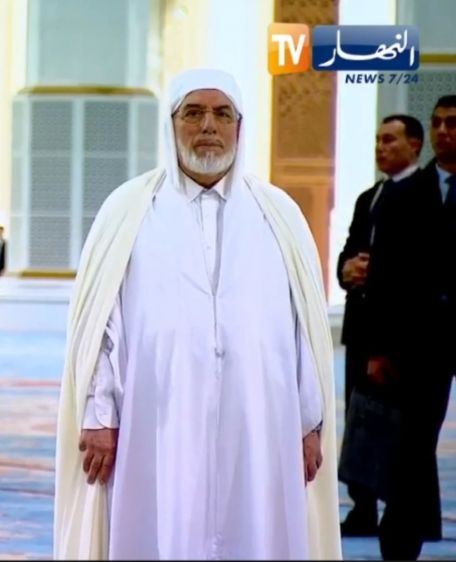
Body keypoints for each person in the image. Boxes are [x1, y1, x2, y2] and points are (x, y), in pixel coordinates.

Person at [52, 68, 341, 560]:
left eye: (222, 114)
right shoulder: (128, 210)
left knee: (258, 530)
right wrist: (100, 416)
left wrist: (309, 425)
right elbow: (104, 327)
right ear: (171, 124)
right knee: (160, 528)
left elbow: (303, 333)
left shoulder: (279, 214)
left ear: (239, 128)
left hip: (261, 423)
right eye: (194, 113)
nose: (208, 126)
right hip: (156, 421)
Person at [365, 94, 456, 560]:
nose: (443, 131)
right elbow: (383, 276)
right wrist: (378, 348)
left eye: (452, 123)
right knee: (413, 443)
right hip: (418, 344)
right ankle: (400, 542)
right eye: (437, 123)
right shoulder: (406, 194)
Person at [336, 114, 423, 537]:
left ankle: (399, 510)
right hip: (361, 329)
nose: (380, 148)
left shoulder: (423, 195)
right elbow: (350, 251)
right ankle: (363, 506)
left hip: (398, 336)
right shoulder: (369, 197)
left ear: (414, 145)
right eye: (377, 140)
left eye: (390, 140)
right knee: (360, 421)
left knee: (397, 427)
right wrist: (347, 270)